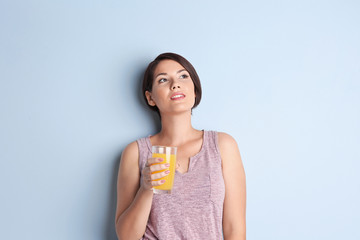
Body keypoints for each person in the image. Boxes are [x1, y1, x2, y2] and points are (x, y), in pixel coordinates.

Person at [115, 52, 246, 239]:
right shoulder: (136, 152)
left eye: (183, 76)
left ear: (194, 90)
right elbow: (126, 236)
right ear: (150, 98)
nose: (175, 84)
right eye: (162, 80)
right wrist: (146, 188)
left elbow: (235, 229)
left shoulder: (223, 145)